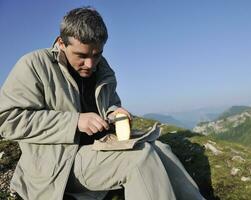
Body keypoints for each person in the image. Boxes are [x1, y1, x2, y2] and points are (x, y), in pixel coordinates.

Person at [0, 7, 205, 200]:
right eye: (81, 55)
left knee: (162, 149)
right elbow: (7, 120)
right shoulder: (34, 64)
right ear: (61, 43)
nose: (90, 64)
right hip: (58, 165)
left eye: (96, 55)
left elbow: (110, 104)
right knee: (140, 159)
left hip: (99, 148)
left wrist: (115, 113)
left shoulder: (102, 69)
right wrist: (75, 122)